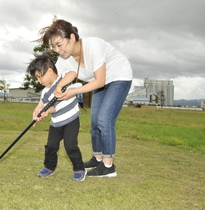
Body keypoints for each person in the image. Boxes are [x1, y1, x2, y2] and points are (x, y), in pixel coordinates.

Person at [36, 19, 133, 177]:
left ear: (72, 38)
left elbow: (99, 80)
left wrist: (74, 91)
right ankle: (97, 158)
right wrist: (40, 107)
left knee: (104, 120)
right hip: (99, 82)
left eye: (59, 44)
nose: (57, 50)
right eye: (54, 47)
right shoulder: (64, 60)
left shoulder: (93, 46)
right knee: (95, 122)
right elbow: (53, 85)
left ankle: (108, 167)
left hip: (118, 76)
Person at [27, 53, 86, 181]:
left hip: (71, 120)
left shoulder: (63, 78)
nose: (39, 81)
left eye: (39, 77)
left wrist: (59, 87)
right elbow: (42, 105)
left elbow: (73, 74)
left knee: (70, 146)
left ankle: (79, 168)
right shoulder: (45, 92)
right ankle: (49, 167)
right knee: (51, 146)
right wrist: (38, 111)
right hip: (56, 123)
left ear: (49, 71)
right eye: (36, 78)